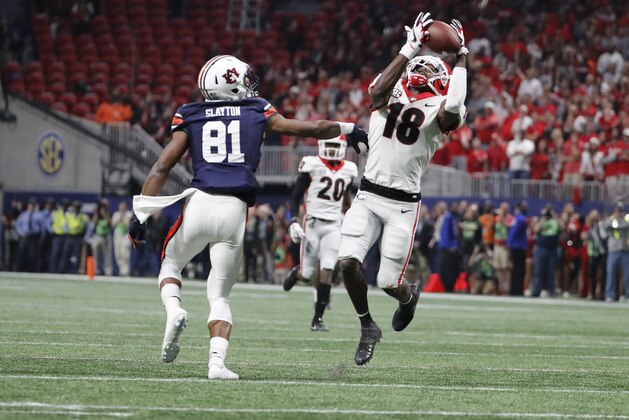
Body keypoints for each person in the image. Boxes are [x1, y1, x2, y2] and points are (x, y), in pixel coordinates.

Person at [127, 55, 368, 380]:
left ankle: (174, 308)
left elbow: (162, 166)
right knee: (220, 294)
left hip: (199, 201)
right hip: (234, 209)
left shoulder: (191, 113)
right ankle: (216, 363)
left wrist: (141, 213)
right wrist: (349, 129)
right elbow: (308, 128)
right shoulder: (256, 109)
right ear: (233, 84)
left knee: (171, 265)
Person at [337, 12, 468, 365]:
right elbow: (376, 90)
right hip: (368, 195)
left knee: (388, 282)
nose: (423, 72)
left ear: (442, 78)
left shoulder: (442, 109)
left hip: (402, 206)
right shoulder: (389, 92)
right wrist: (409, 47)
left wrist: (462, 57)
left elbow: (455, 105)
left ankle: (409, 299)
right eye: (419, 67)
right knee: (347, 262)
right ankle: (367, 327)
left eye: (430, 69)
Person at [282, 136, 358, 332]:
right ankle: (296, 274)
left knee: (327, 270)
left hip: (333, 224)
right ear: (322, 146)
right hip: (312, 223)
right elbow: (295, 197)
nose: (332, 149)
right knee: (307, 275)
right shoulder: (311, 164)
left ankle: (318, 319)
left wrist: (350, 217)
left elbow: (347, 198)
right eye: (329, 145)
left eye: (336, 146)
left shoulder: (349, 169)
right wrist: (293, 221)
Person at [111, 201, 132, 276]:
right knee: (118, 254)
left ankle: (125, 271)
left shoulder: (129, 214)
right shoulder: (116, 214)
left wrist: (124, 217)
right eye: (121, 207)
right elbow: (113, 225)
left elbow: (129, 224)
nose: (122, 208)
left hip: (126, 236)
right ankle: (121, 270)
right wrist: (120, 218)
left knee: (125, 253)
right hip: (117, 236)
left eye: (123, 207)